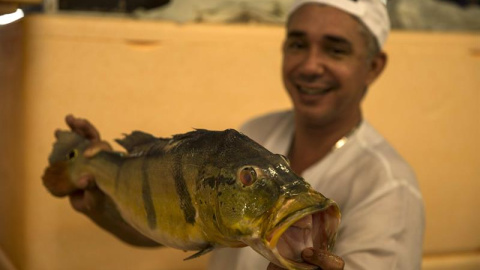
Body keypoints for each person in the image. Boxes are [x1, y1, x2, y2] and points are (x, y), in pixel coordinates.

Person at [44, 0, 425, 269]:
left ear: (373, 67)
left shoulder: (390, 190)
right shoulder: (257, 133)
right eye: (297, 44)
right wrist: (97, 194)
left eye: (335, 49)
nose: (310, 65)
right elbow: (168, 228)